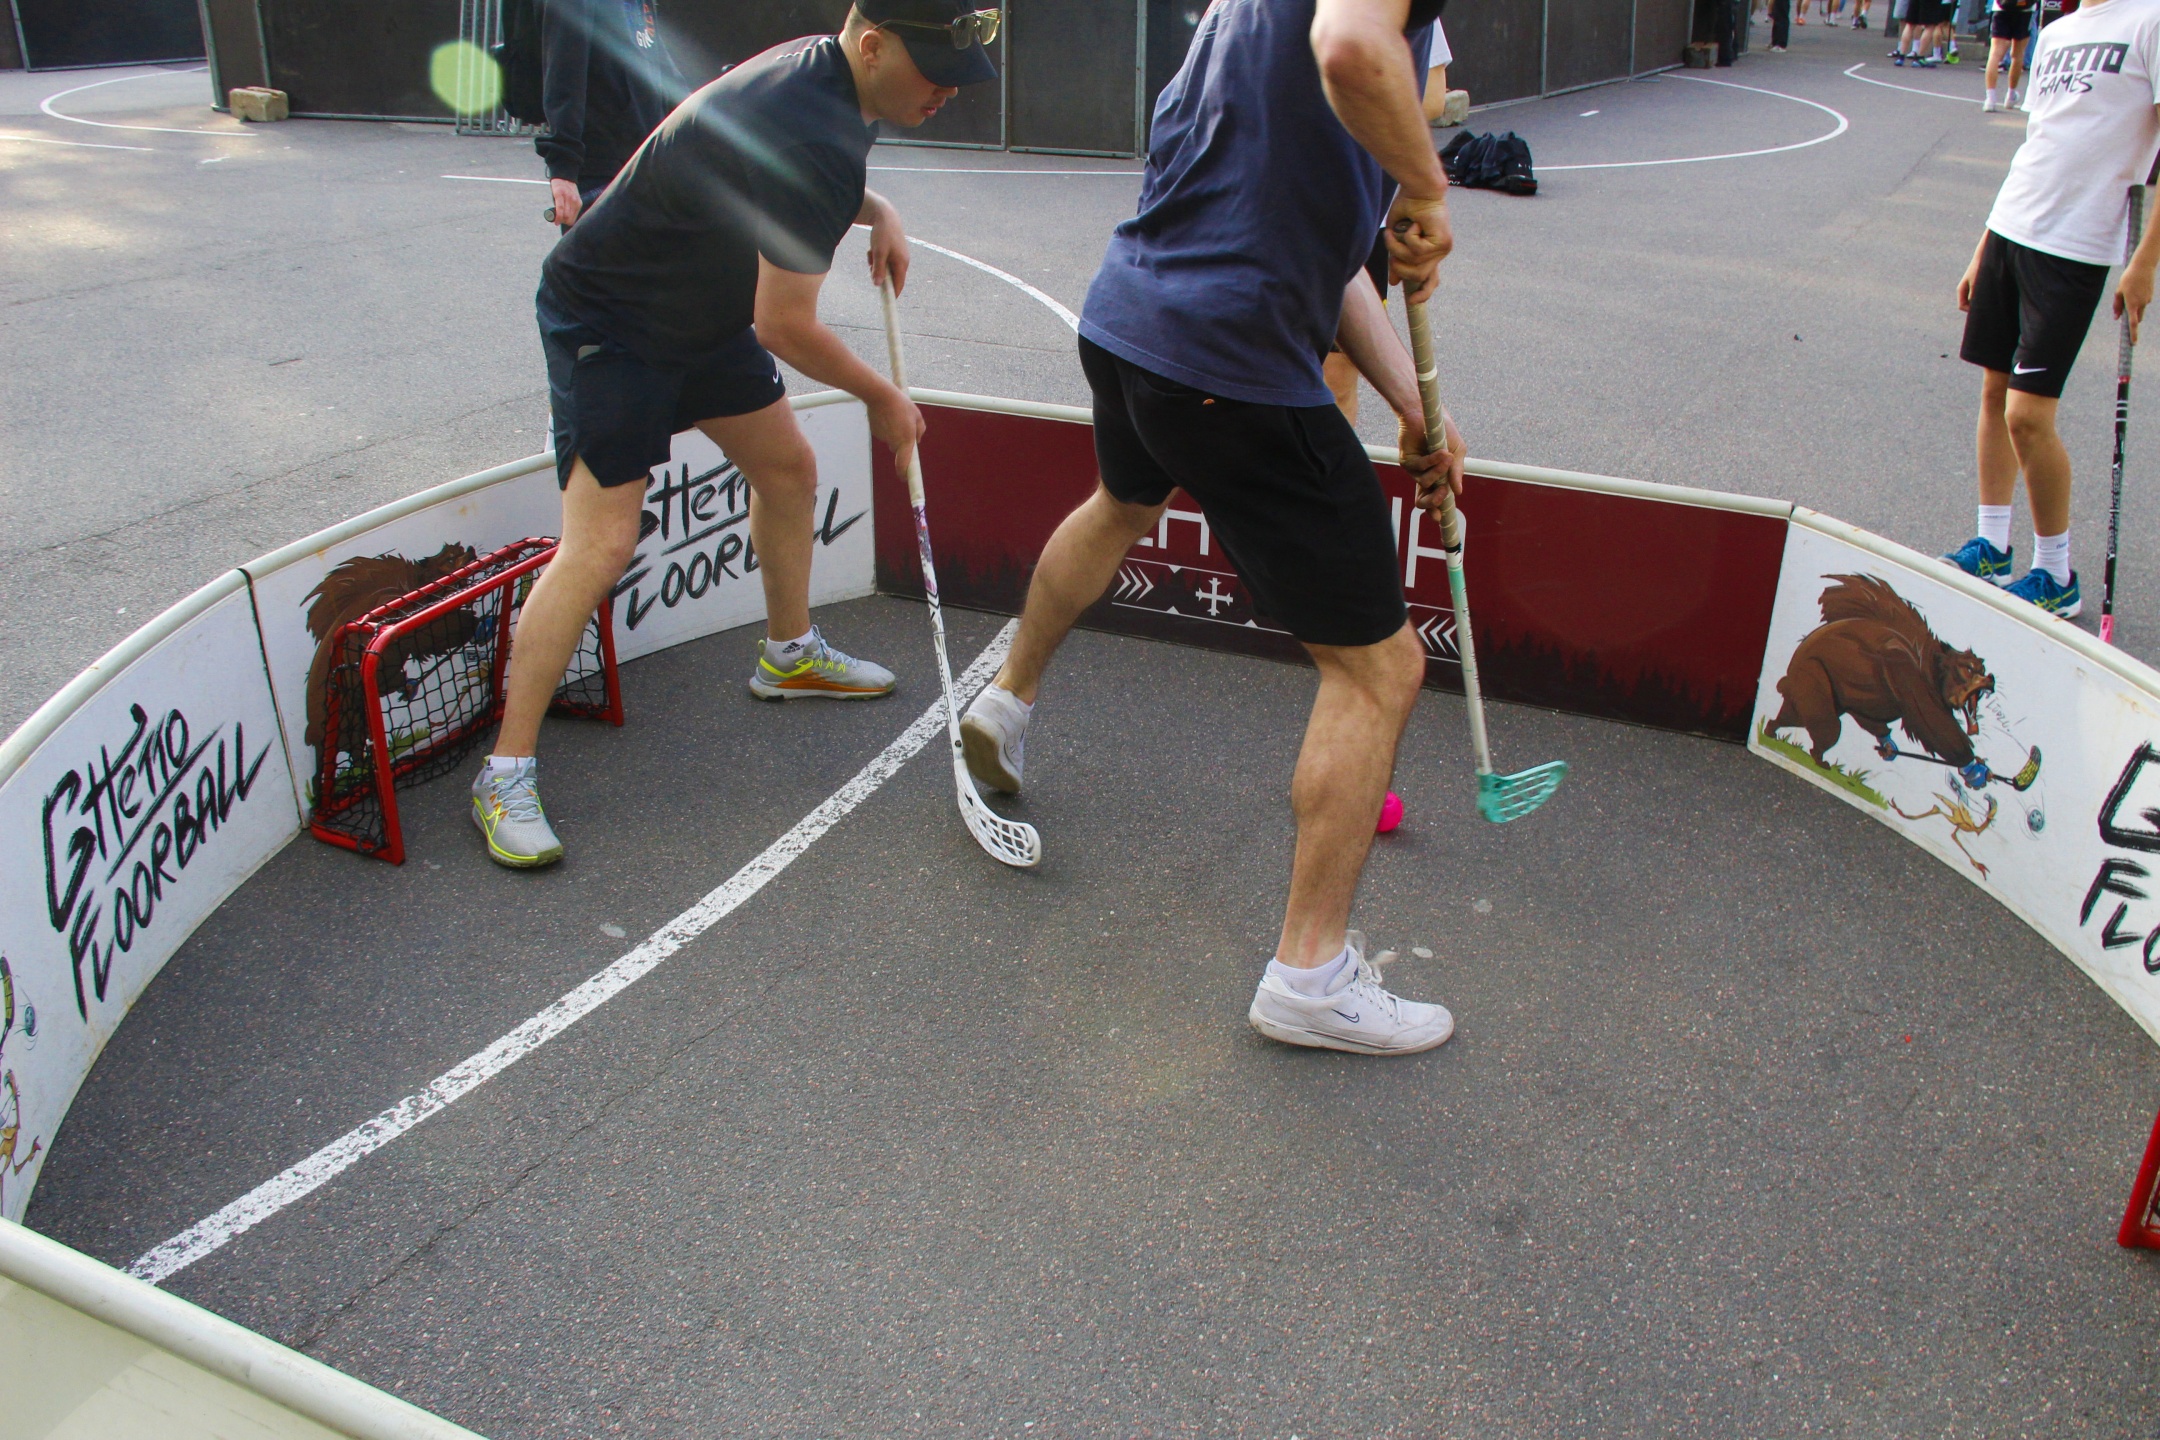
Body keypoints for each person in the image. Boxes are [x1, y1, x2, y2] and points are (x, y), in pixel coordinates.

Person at [957, 0, 1464, 1056]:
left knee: (1122, 505)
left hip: (1132, 325)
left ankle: (1005, 700)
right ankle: (1311, 978)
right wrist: (1425, 183)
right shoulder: (1349, 27)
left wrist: (1416, 410)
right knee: (1378, 670)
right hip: (1231, 362)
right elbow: (1352, 48)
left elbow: (1326, 257)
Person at [470, 2, 1000, 868]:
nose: (948, 92)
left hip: (699, 309)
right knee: (601, 543)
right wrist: (882, 398)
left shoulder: (826, 75)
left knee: (786, 470)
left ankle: (788, 656)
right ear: (873, 46)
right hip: (612, 316)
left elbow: (773, 171)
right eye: (936, 72)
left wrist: (879, 208)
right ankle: (504, 771)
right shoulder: (817, 124)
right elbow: (784, 324)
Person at [1943, 0, 2160, 616]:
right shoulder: (2059, 32)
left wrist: (2145, 262)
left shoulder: (2149, 21)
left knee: (2027, 416)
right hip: (2012, 230)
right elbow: (2037, 146)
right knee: (1994, 393)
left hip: (2075, 248)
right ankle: (1992, 545)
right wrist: (1984, 245)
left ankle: (2056, 573)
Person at [538, 0, 682, 230]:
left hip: (646, 161)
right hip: (601, 167)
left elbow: (663, 68)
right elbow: (563, 76)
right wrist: (564, 168)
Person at [1984, 0, 2032, 107]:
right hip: (2025, 10)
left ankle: (1990, 98)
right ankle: (2011, 94)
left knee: (1995, 54)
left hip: (2001, 8)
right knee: (2017, 54)